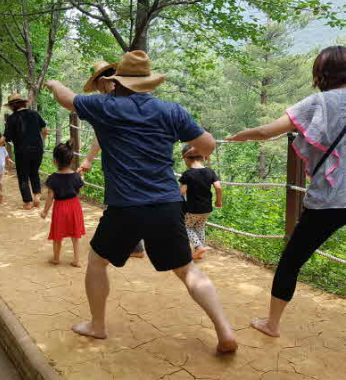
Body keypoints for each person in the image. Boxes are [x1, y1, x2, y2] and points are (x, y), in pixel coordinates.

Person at [46, 50, 237, 353]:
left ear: (117, 81)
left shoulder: (104, 106)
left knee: (97, 262)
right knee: (187, 270)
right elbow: (208, 145)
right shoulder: (171, 110)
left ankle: (98, 325)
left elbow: (67, 98)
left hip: (125, 207)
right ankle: (224, 330)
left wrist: (54, 83)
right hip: (167, 203)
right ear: (148, 82)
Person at [226, 45, 346, 338]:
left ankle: (272, 324)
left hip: (329, 200)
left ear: (320, 73)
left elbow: (267, 131)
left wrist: (240, 136)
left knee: (292, 261)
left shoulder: (318, 103)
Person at [78, 61, 146, 259]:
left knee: (121, 202)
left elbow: (100, 135)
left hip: (122, 161)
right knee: (131, 200)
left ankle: (125, 246)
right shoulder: (131, 96)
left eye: (97, 86)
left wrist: (89, 159)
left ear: (102, 81)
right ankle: (135, 245)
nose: (98, 91)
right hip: (139, 158)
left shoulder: (111, 103)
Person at [0, 94, 49, 210]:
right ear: (23, 103)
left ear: (13, 106)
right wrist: (41, 142)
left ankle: (28, 202)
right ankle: (36, 195)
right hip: (37, 149)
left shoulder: (12, 118)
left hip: (22, 151)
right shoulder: (34, 114)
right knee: (34, 172)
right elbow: (45, 131)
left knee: (23, 176)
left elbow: (5, 137)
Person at [41, 142, 86, 267]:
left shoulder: (53, 178)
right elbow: (80, 190)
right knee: (75, 235)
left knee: (57, 235)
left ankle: (56, 258)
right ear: (71, 160)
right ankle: (77, 260)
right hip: (74, 206)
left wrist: (45, 211)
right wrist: (80, 176)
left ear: (55, 161)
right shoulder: (76, 176)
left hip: (60, 207)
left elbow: (50, 197)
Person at [179, 144, 223, 259]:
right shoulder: (210, 172)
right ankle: (200, 250)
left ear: (186, 159)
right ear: (203, 157)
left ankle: (199, 247)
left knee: (187, 227)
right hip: (207, 209)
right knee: (200, 227)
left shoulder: (187, 174)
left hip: (193, 209)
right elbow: (218, 187)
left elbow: (182, 192)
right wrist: (219, 201)